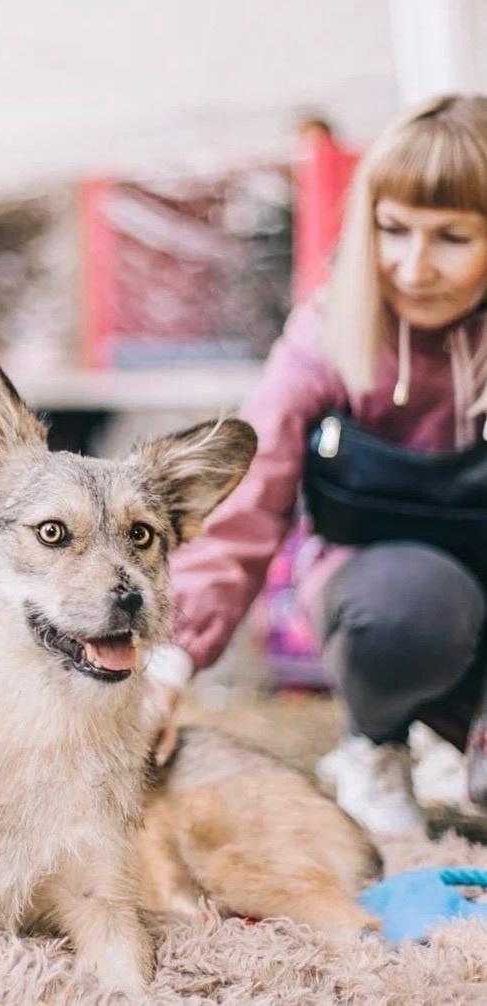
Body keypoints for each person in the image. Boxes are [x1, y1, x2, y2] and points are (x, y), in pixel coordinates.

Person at [162, 93, 487, 836]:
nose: (412, 266)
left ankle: (458, 744)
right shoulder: (325, 332)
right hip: (388, 600)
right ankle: (371, 747)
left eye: (451, 238)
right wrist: (168, 659)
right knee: (408, 611)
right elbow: (242, 504)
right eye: (392, 229)